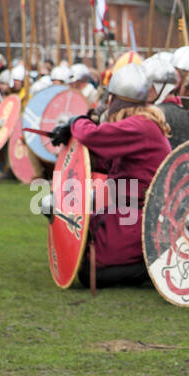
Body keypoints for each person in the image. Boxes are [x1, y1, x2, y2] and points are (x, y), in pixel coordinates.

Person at [45, 63, 171, 287]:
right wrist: (73, 145)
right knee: (86, 239)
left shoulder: (141, 126)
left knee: (90, 272)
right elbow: (106, 161)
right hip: (124, 211)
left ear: (117, 99)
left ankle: (153, 264)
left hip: (145, 217)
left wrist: (76, 122)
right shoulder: (139, 125)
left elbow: (91, 135)